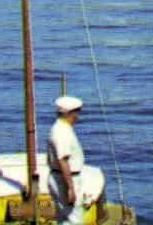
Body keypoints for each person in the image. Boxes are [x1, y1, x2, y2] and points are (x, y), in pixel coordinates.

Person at [46, 94, 105, 225]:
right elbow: (63, 161)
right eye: (75, 113)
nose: (76, 117)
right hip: (65, 179)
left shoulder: (60, 128)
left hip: (60, 177)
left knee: (64, 218)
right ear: (70, 113)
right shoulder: (62, 132)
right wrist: (70, 188)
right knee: (74, 219)